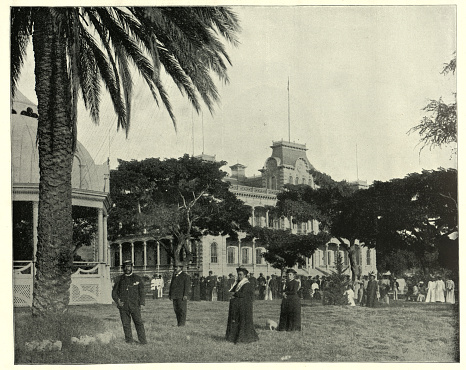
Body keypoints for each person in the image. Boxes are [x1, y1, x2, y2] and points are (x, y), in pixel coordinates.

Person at [112, 260, 147, 344]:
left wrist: (142, 303)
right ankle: (129, 340)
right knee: (126, 324)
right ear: (123, 268)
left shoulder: (137, 278)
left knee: (138, 323)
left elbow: (142, 292)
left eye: (128, 266)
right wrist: (118, 301)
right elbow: (114, 292)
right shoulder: (119, 279)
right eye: (125, 267)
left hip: (135, 305)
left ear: (132, 267)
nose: (127, 268)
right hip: (123, 306)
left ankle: (143, 341)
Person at [225, 267, 259, 344]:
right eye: (238, 274)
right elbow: (233, 290)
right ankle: (233, 337)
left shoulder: (247, 284)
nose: (239, 276)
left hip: (245, 307)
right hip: (238, 306)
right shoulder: (238, 283)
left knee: (243, 322)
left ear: (244, 275)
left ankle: (243, 337)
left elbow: (243, 294)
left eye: (240, 275)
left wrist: (234, 294)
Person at [169, 262, 191, 327]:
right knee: (176, 310)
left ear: (180, 268)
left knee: (182, 309)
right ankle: (179, 323)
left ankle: (182, 324)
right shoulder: (174, 276)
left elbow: (187, 286)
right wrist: (170, 295)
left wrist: (185, 295)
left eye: (177, 267)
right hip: (175, 296)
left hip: (181, 296)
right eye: (174, 267)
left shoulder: (185, 276)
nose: (175, 268)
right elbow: (171, 286)